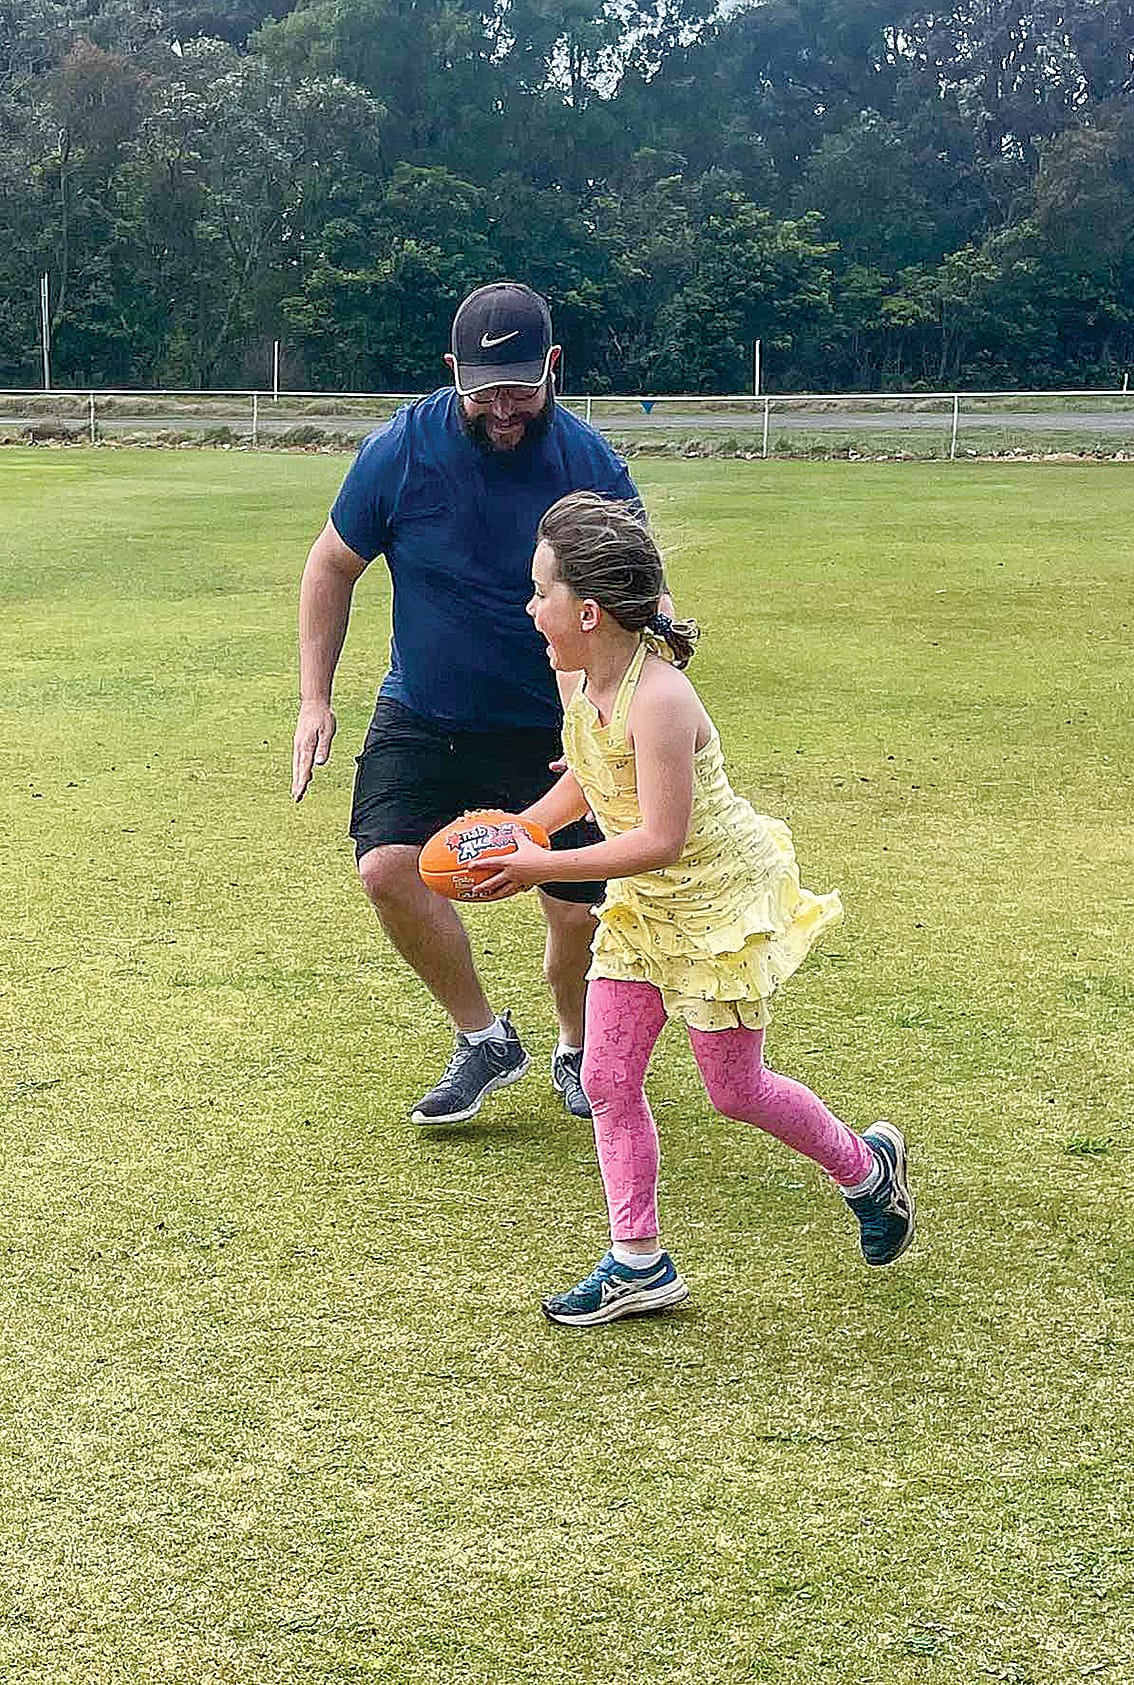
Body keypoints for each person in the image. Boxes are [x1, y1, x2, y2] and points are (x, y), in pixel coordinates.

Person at [475, 491, 917, 1326]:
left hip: (715, 902)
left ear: (590, 610)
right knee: (607, 1077)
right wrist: (526, 826)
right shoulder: (577, 674)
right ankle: (638, 1260)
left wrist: (543, 864)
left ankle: (867, 1169)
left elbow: (661, 837)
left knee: (735, 1089)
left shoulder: (661, 698)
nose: (531, 607)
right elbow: (592, 770)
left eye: (542, 592)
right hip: (647, 909)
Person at [291, 283, 645, 1126]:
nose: (503, 409)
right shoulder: (401, 453)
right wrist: (315, 699)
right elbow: (330, 566)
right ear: (453, 371)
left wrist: (613, 715)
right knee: (385, 868)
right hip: (426, 709)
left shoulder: (589, 467)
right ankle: (483, 1037)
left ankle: (571, 1045)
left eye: (521, 388)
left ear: (553, 366)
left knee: (575, 907)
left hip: (551, 725)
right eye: (484, 390)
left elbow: (638, 594)